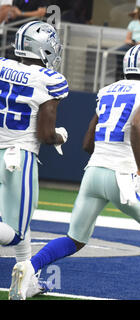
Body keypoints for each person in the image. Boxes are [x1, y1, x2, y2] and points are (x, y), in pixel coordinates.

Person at [9, 44, 140, 301]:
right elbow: (138, 125)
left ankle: (29, 267)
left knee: (75, 239)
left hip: (93, 172)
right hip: (122, 174)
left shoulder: (107, 91)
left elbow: (87, 143)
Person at [0, 21, 68, 298]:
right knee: (15, 231)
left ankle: (25, 280)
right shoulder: (50, 80)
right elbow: (44, 133)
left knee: (22, 223)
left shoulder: (2, 65)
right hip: (19, 156)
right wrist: (60, 137)